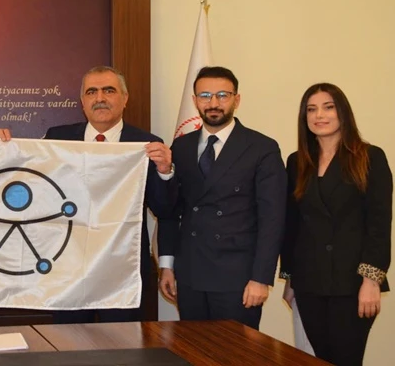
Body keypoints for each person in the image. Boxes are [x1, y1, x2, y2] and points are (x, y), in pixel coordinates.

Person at [0, 65, 176, 323]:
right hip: (67, 266)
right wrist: (2, 153)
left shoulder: (146, 144)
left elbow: (165, 210)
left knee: (122, 343)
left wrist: (165, 171)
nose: (99, 98)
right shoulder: (57, 139)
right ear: (82, 101)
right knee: (70, 342)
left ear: (125, 98)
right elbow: (29, 188)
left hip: (122, 271)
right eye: (92, 92)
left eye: (109, 90)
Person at [157, 66, 286, 330]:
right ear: (195, 101)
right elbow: (171, 212)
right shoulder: (181, 146)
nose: (213, 103)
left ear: (237, 99)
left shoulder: (262, 148)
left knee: (236, 351)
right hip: (190, 275)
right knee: (194, 348)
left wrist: (261, 278)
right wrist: (167, 265)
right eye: (205, 95)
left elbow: (272, 219)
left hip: (238, 278)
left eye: (222, 95)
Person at [280, 83, 391, 365]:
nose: (320, 115)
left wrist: (371, 281)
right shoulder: (296, 161)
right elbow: (292, 225)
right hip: (309, 282)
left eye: (328, 107)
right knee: (322, 359)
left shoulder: (370, 157)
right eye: (311, 109)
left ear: (343, 112)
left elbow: (379, 224)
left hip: (352, 282)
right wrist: (290, 277)